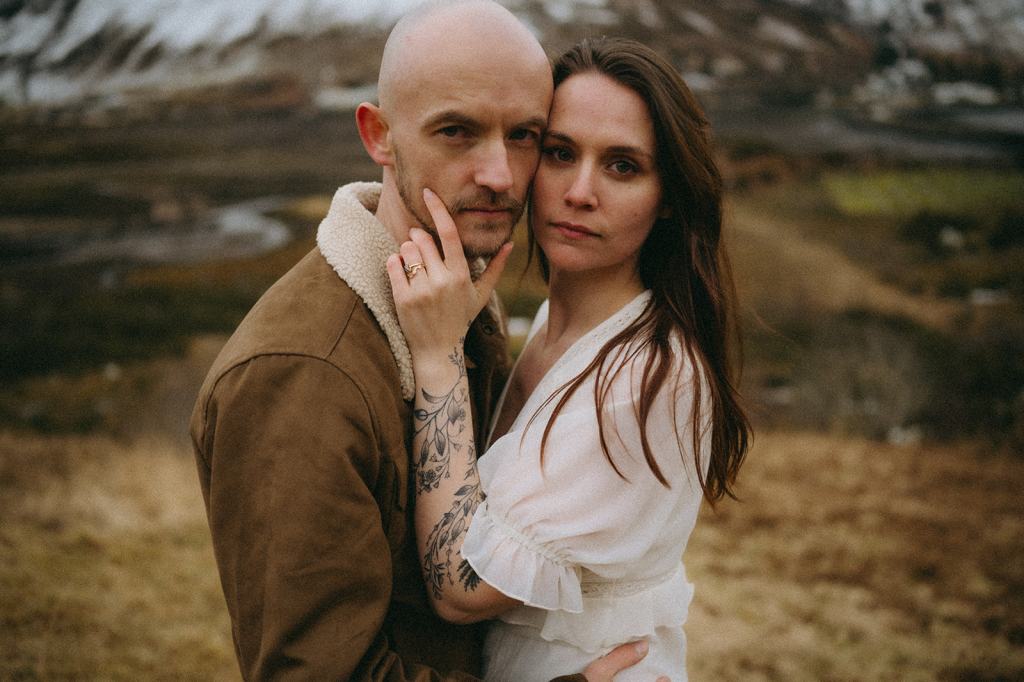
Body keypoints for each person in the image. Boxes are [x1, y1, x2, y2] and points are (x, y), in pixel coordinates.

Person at [190, 2, 653, 679]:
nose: (499, 174)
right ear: (379, 136)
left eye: (525, 136)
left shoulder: (463, 306)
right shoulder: (304, 373)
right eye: (457, 132)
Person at [388, 37, 752, 680]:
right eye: (560, 154)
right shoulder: (554, 325)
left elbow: (462, 587)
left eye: (622, 166)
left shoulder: (651, 374)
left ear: (667, 194)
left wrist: (437, 357)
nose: (580, 192)